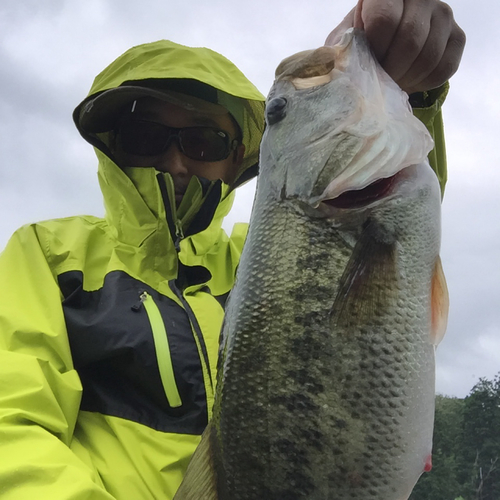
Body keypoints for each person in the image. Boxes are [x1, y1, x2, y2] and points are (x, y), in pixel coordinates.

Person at [0, 1, 464, 499]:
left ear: (238, 157)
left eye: (203, 141)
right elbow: (13, 423)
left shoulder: (257, 260)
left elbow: (403, 230)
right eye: (145, 134)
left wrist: (412, 94)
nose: (176, 162)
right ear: (112, 147)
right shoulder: (50, 256)